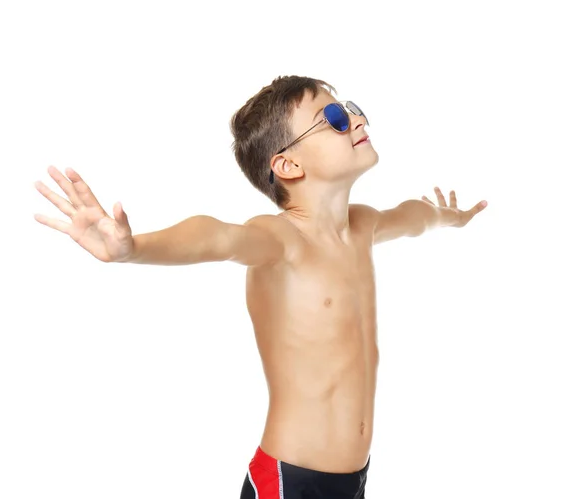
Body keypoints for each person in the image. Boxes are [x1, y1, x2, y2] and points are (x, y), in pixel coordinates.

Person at [34, 75, 488, 499]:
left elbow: (413, 216)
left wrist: (452, 216)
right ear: (288, 164)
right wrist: (134, 248)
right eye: (334, 119)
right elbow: (214, 235)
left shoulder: (364, 225)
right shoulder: (280, 240)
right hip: (290, 480)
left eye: (351, 109)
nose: (358, 120)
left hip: (355, 478)